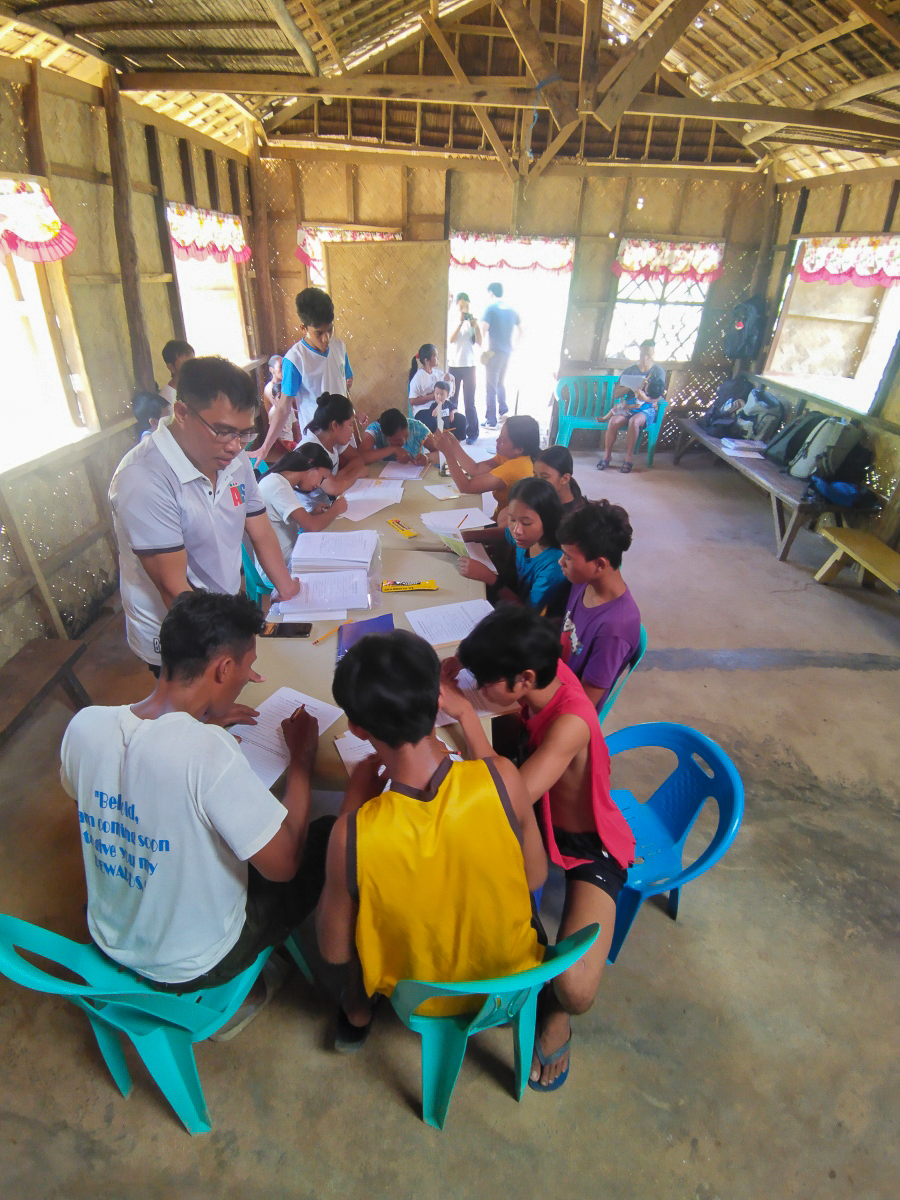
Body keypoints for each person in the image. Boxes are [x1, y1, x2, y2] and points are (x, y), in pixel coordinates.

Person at [60, 591, 333, 1035]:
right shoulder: (208, 753)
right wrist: (301, 760)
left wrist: (196, 727)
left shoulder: (85, 727)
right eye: (248, 666)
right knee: (326, 837)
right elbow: (284, 867)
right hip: (192, 965)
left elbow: (103, 801)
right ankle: (244, 991)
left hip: (108, 936)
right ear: (224, 669)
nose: (249, 676)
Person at [312, 630, 547, 1048]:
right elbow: (534, 877)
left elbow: (333, 949)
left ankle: (358, 1014)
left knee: (354, 911)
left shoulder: (352, 833)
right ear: (439, 699)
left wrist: (352, 806)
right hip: (507, 987)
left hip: (416, 1000)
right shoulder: (502, 779)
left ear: (357, 728)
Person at [443, 605, 635, 1091]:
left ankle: (552, 1013)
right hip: (542, 819)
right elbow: (485, 680)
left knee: (575, 990)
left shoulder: (570, 722)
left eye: (486, 680)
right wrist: (456, 668)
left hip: (588, 843)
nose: (478, 687)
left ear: (524, 679)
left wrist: (465, 710)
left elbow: (507, 802)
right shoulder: (544, 670)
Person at [109, 356, 301, 673]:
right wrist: (222, 655)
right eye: (223, 431)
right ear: (182, 413)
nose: (235, 446)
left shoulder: (234, 461)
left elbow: (261, 531)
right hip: (177, 633)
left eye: (244, 433)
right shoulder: (143, 478)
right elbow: (173, 588)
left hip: (219, 616)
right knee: (193, 717)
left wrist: (291, 592)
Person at [252, 287, 353, 463]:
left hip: (344, 435)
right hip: (318, 442)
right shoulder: (295, 359)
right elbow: (283, 407)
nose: (326, 339)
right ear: (303, 327)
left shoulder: (339, 347)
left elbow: (346, 382)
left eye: (330, 330)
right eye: (319, 333)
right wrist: (265, 447)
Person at [558, 501, 642, 710]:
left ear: (599, 564)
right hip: (556, 679)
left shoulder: (615, 629)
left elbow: (583, 705)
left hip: (569, 715)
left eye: (568, 557)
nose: (561, 562)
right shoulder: (583, 583)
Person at [458, 478, 568, 616]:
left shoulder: (555, 565)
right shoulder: (528, 537)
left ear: (548, 520)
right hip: (511, 595)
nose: (517, 530)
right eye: (512, 519)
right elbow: (504, 534)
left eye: (526, 522)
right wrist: (465, 536)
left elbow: (528, 615)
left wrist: (488, 577)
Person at [255, 442, 348, 571]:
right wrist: (336, 509)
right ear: (311, 464)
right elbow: (312, 526)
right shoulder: (277, 485)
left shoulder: (281, 482)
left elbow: (291, 523)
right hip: (280, 568)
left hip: (289, 555)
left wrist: (312, 515)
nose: (319, 485)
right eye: (321, 478)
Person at [435, 414, 539, 519]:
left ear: (519, 449)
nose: (497, 441)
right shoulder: (510, 455)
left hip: (507, 529)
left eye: (503, 440)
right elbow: (475, 469)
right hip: (500, 518)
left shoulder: (517, 467)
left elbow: (466, 487)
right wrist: (452, 441)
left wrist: (448, 454)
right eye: (499, 436)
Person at [597, 338, 666, 474]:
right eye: (642, 354)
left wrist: (645, 397)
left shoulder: (659, 372)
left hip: (647, 407)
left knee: (634, 422)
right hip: (630, 405)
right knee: (613, 421)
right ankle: (607, 456)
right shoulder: (630, 371)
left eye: (649, 355)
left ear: (653, 354)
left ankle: (629, 458)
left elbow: (658, 395)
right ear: (639, 353)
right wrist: (632, 386)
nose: (645, 358)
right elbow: (617, 393)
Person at [298, 392, 365, 495]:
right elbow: (334, 489)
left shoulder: (333, 439)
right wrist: (356, 474)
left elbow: (358, 459)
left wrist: (340, 476)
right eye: (350, 425)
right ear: (335, 425)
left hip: (327, 504)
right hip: (310, 509)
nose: (352, 430)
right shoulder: (311, 449)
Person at [481, 282, 520, 429]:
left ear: (491, 293)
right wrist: (515, 345)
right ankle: (503, 413)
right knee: (500, 383)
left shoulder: (490, 309)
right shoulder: (511, 310)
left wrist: (484, 349)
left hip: (494, 352)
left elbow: (483, 329)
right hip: (506, 353)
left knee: (490, 387)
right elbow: (522, 329)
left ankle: (490, 420)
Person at [407, 343, 466, 440]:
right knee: (435, 423)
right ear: (427, 360)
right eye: (435, 356)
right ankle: (438, 448)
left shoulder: (439, 374)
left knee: (461, 420)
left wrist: (452, 380)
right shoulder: (418, 378)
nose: (438, 358)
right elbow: (412, 401)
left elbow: (450, 394)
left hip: (441, 408)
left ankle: (456, 448)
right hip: (423, 410)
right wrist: (432, 396)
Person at [448, 292, 482, 443]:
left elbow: (480, 342)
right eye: (461, 306)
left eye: (466, 306)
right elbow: (451, 339)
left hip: (470, 366)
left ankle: (472, 433)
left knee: (470, 402)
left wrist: (476, 327)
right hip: (454, 366)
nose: (464, 309)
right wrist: (460, 323)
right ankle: (453, 431)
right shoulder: (452, 320)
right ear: (456, 306)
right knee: (452, 400)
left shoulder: (473, 323)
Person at [360, 408, 438, 466]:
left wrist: (427, 458)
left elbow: (441, 452)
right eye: (397, 440)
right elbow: (361, 458)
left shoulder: (416, 427)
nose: (403, 442)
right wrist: (392, 449)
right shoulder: (375, 429)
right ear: (384, 435)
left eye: (406, 435)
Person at [262, 354, 298, 458]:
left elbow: (293, 407)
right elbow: (284, 410)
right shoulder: (271, 389)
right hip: (281, 435)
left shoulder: (285, 386)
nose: (285, 371)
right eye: (281, 368)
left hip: (290, 425)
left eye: (286, 367)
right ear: (271, 370)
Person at [534, 446, 584, 514]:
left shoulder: (571, 517)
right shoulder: (544, 499)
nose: (537, 482)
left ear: (565, 479)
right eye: (535, 476)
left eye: (544, 477)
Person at [159, 339, 194, 411]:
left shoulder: (192, 390)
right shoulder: (166, 398)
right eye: (185, 365)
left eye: (193, 362)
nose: (192, 368)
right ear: (171, 367)